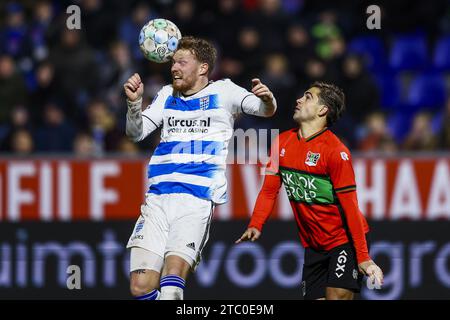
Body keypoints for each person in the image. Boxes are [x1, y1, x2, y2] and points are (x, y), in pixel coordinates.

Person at [124, 36, 277, 300]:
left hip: (195, 202)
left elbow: (264, 110)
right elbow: (136, 133)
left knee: (172, 280)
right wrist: (134, 105)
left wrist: (268, 99)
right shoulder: (165, 95)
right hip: (157, 199)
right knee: (140, 287)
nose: (174, 68)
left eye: (182, 62)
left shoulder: (224, 91)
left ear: (203, 68)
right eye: (173, 62)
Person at [236, 82, 383, 300]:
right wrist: (256, 224)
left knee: (336, 295)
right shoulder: (281, 142)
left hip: (344, 240)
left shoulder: (335, 152)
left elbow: (350, 207)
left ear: (323, 110)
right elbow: (269, 191)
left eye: (308, 97)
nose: (299, 100)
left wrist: (362, 256)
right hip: (314, 244)